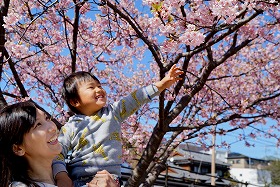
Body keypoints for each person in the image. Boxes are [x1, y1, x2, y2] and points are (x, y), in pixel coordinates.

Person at [52, 65, 184, 187]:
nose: (99, 89)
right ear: (75, 101)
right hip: (80, 181)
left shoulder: (113, 112)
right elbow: (57, 153)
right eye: (91, 87)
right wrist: (61, 175)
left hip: (112, 179)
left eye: (99, 86)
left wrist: (161, 85)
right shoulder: (70, 127)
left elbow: (136, 98)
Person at [0, 101, 119, 187]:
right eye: (38, 125)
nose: (52, 127)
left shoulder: (75, 177)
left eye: (47, 118)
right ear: (18, 148)